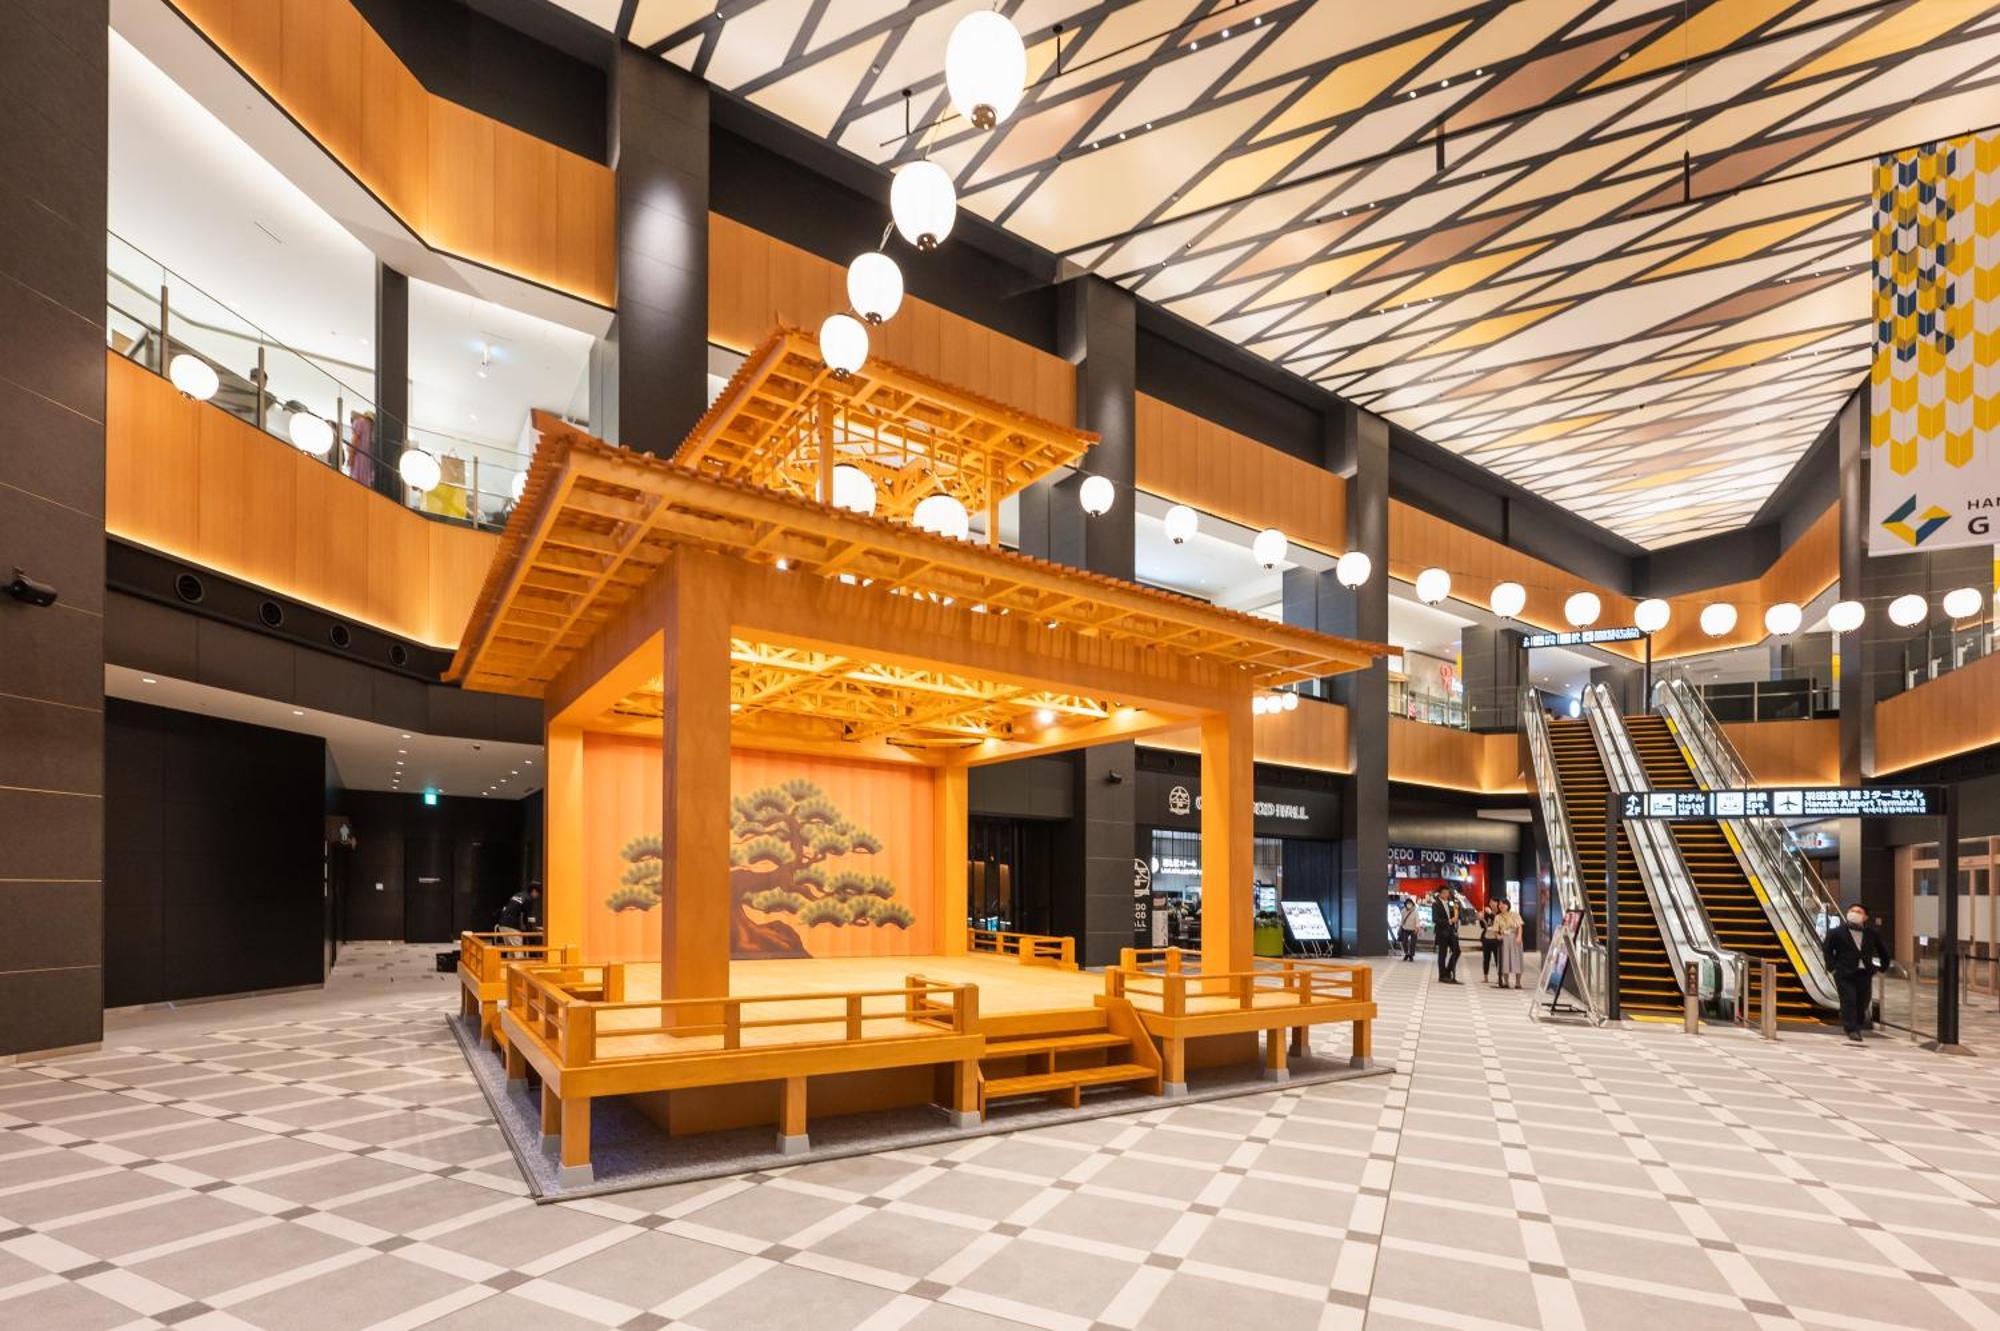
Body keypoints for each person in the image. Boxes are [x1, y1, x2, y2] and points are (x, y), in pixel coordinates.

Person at [1822, 904, 1890, 1042]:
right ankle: (1852, 1029)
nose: (1854, 913)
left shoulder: (1872, 933)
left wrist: (1883, 967)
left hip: (1864, 972)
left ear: (1865, 917)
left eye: (1858, 912)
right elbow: (1827, 950)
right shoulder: (1836, 932)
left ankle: (1856, 1024)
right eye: (1852, 911)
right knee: (1849, 999)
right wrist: (1833, 968)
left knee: (1862, 1001)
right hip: (1844, 972)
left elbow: (1883, 950)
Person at [1493, 898, 1525, 988]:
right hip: (1504, 939)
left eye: (1503, 904)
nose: (1501, 906)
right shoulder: (1498, 917)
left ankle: (1518, 982)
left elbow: (1520, 927)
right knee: (1505, 960)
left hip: (1515, 938)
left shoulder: (1515, 914)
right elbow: (1495, 930)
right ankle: (1506, 982)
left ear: (1508, 905)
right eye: (1500, 904)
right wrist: (1497, 936)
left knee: (1517, 960)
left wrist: (1519, 936)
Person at [1433, 888, 1463, 983]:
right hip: (1442, 932)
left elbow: (1456, 914)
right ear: (1440, 894)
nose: (1447, 895)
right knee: (1443, 954)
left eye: (1448, 893)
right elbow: (1435, 919)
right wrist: (1448, 921)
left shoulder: (1451, 903)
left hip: (1451, 931)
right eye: (1445, 893)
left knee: (1457, 951)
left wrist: (1457, 909)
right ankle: (1442, 975)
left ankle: (1448, 971)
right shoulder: (1436, 904)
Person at [1479, 899, 1501, 983]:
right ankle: (1485, 977)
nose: (1491, 904)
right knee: (1486, 959)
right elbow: (1484, 926)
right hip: (1486, 938)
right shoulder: (1487, 913)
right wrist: (1481, 919)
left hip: (1496, 938)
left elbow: (1498, 922)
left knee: (1497, 959)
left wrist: (1491, 913)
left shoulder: (1499, 914)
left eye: (1493, 902)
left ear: (1497, 903)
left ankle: (1499, 977)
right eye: (1490, 902)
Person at [1398, 895, 1420, 961]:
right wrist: (1400, 927)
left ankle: (1411, 955)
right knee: (1404, 942)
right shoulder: (1403, 911)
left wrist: (1417, 928)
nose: (1409, 905)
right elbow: (1402, 919)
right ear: (1405, 904)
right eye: (1407, 904)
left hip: (1413, 929)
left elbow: (1417, 920)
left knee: (1412, 943)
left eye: (1410, 904)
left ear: (1412, 904)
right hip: (1405, 928)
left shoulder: (1415, 912)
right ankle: (1406, 953)